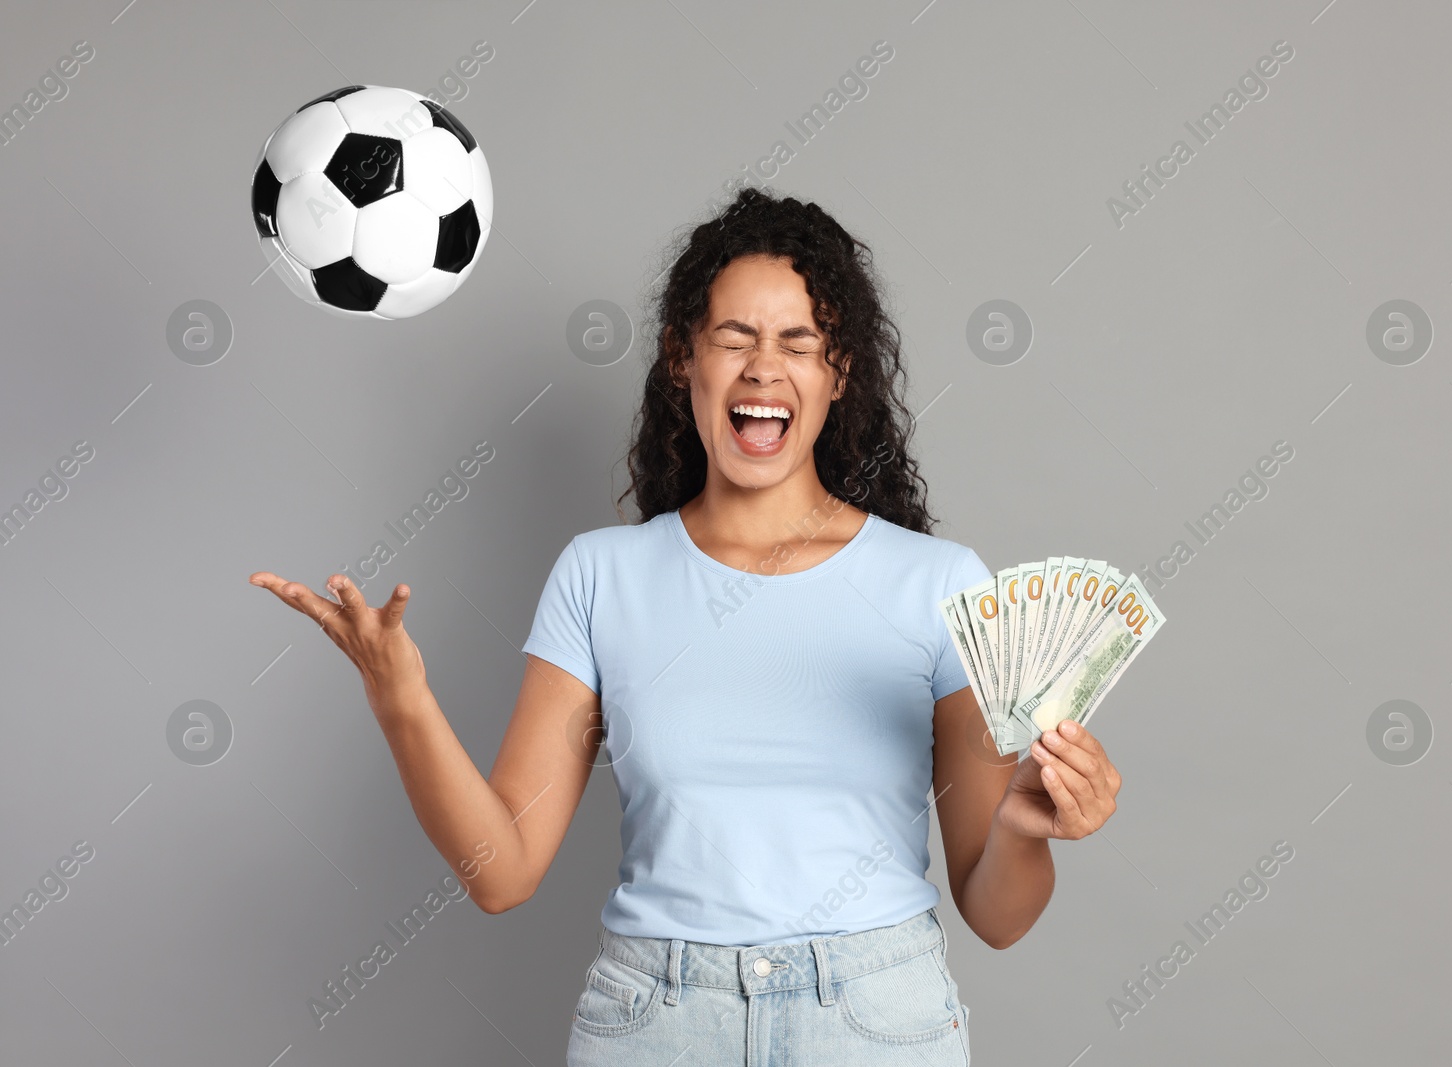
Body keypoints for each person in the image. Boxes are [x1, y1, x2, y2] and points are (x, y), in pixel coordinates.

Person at [249, 187, 1121, 1065]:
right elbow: (501, 872)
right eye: (733, 338)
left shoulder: (938, 585)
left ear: (839, 371)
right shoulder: (601, 576)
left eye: (799, 343)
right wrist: (401, 699)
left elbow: (999, 918)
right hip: (659, 1024)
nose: (763, 370)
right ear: (682, 359)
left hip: (874, 1022)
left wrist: (1022, 826)